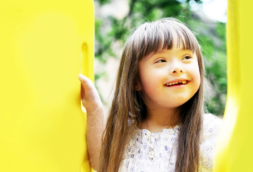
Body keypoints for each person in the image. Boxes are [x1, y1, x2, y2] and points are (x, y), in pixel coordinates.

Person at [78, 18, 223, 172]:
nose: (177, 68)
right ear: (135, 80)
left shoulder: (210, 132)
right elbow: (102, 164)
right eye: (161, 60)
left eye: (186, 57)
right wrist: (94, 109)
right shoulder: (125, 132)